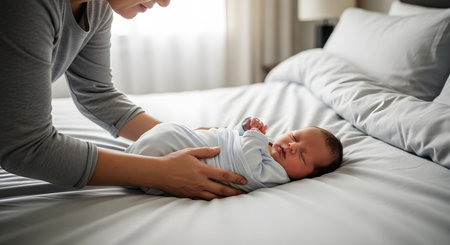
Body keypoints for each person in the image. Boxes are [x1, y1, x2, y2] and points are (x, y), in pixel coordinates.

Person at [0, 0, 247, 201]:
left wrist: (181, 136)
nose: (164, 3)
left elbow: (97, 94)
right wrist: (160, 173)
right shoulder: (27, 7)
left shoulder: (97, 7)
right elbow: (26, 146)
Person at [126, 117, 343, 194]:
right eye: (295, 136)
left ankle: (132, 164)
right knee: (169, 133)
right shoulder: (270, 145)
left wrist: (253, 135)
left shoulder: (276, 174)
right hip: (195, 142)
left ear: (307, 176)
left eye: (303, 157)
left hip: (190, 158)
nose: (293, 147)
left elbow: (246, 162)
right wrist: (244, 127)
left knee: (167, 138)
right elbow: (237, 138)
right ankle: (130, 159)